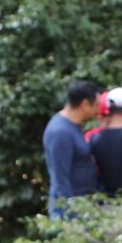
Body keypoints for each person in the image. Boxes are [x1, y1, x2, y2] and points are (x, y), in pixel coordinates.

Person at [43, 80, 104, 218]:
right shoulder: (60, 132)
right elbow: (60, 178)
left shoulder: (74, 126)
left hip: (83, 206)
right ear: (85, 104)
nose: (97, 111)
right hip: (70, 213)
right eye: (96, 106)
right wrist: (70, 216)